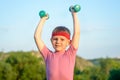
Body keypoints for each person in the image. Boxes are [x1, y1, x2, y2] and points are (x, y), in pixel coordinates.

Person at [34, 10, 80, 80]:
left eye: (62, 39)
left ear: (69, 42)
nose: (58, 42)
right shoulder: (47, 55)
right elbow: (37, 37)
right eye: (55, 39)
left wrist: (74, 14)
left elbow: (77, 33)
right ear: (51, 40)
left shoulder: (71, 53)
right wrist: (43, 19)